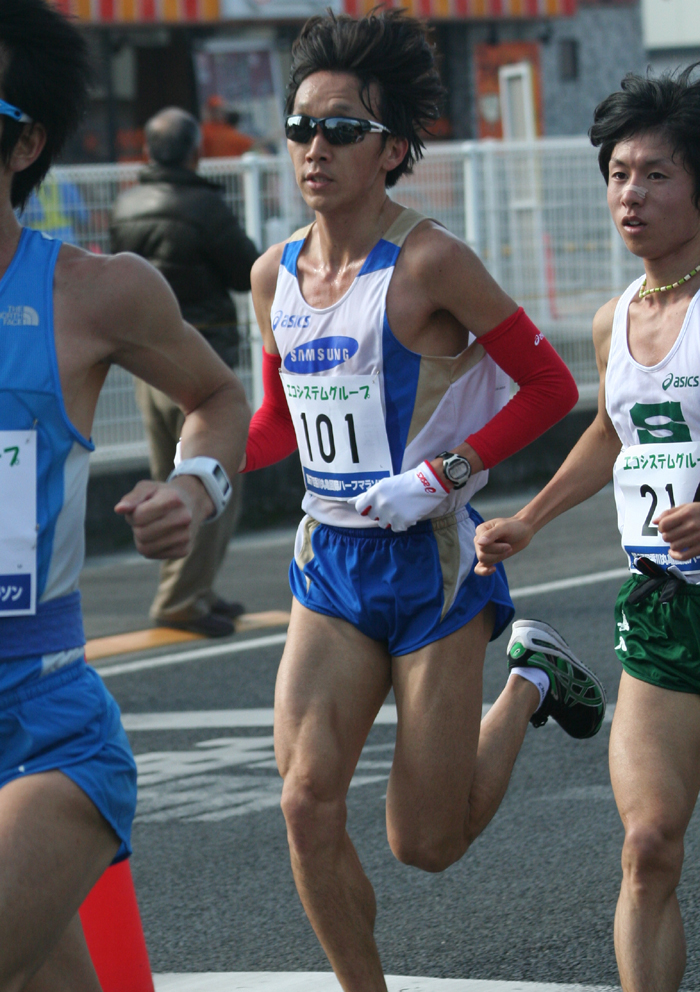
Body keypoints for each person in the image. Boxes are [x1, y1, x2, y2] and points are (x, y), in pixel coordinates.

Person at [240, 11, 606, 991]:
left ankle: (528, 673)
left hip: (433, 567)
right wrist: (199, 466)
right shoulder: (272, 274)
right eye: (300, 127)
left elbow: (547, 388)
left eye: (341, 130)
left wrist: (446, 472)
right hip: (331, 563)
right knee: (306, 801)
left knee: (425, 842)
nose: (315, 148)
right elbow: (277, 427)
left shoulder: (431, 261)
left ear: (392, 149)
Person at [0, 2, 249, 988]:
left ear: (26, 141)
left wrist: (193, 484)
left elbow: (219, 395)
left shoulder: (94, 293)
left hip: (42, 710)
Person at [474, 65, 700, 992]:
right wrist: (529, 517)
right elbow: (611, 425)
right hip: (662, 608)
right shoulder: (617, 321)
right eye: (616, 173)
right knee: (647, 845)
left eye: (654, 173)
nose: (630, 194)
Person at [111, 107, 259, 636]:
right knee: (210, 482)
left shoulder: (126, 203)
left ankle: (195, 591)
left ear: (149, 152)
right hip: (202, 365)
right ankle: (183, 600)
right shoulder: (205, 206)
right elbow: (246, 272)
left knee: (167, 479)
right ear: (195, 151)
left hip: (145, 364)